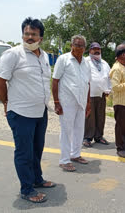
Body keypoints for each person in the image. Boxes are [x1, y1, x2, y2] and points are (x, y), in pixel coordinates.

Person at [0, 17, 55, 203]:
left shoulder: (44, 56)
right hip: (21, 114)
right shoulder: (12, 55)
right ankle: (27, 189)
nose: (29, 37)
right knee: (24, 153)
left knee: (37, 150)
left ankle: (37, 179)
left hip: (40, 112)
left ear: (41, 38)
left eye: (33, 34)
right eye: (26, 33)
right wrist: (6, 102)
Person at [52, 35, 91, 172]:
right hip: (66, 101)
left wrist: (88, 102)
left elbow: (88, 83)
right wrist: (56, 102)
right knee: (66, 131)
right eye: (75, 44)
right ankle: (64, 160)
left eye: (81, 45)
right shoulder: (63, 59)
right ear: (71, 46)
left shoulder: (86, 63)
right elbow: (55, 80)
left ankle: (75, 154)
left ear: (84, 48)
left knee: (79, 130)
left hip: (81, 102)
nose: (78, 48)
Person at [83, 42, 111, 147]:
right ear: (90, 50)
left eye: (98, 49)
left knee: (101, 116)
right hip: (89, 94)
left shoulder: (104, 63)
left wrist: (108, 89)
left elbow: (109, 78)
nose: (96, 50)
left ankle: (99, 136)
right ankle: (87, 137)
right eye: (94, 49)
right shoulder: (85, 61)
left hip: (102, 94)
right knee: (89, 117)